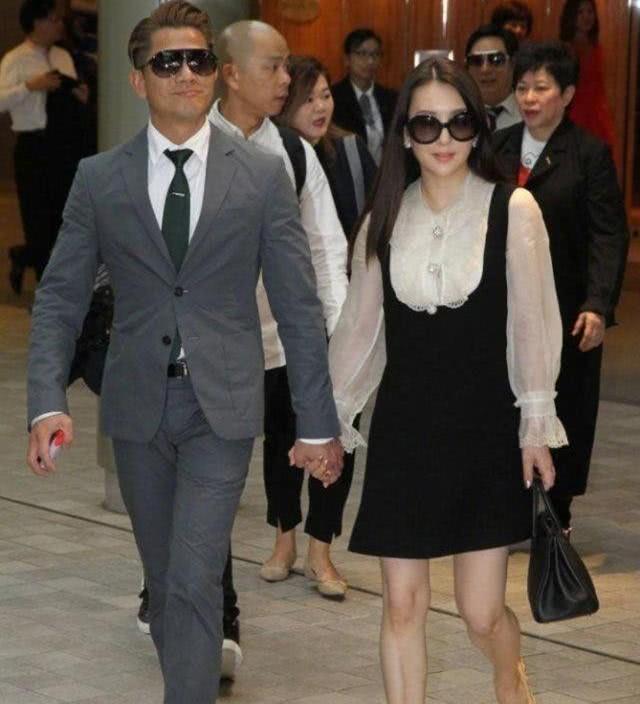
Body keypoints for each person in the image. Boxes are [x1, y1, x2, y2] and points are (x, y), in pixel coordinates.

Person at [25, 4, 343, 704]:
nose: (186, 73)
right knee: (167, 582)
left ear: (216, 72)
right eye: (167, 61)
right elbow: (59, 299)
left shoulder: (260, 176)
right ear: (139, 80)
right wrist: (47, 402)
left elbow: (298, 306)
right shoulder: (99, 179)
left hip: (220, 408)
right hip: (137, 405)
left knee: (196, 579)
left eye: (198, 59)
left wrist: (318, 422)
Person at [328, 56, 567, 704]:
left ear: (478, 128)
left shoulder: (513, 209)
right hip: (404, 433)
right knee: (401, 604)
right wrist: (330, 421)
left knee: (480, 614)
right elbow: (360, 331)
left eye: (458, 123)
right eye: (425, 125)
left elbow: (532, 324)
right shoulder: (383, 219)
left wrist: (536, 426)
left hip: (483, 433)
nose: (443, 139)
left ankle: (509, 678)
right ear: (405, 134)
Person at [209, 22, 349, 605]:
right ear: (232, 73)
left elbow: (326, 247)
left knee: (318, 436)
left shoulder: (293, 152)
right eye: (274, 67)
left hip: (291, 336)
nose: (287, 79)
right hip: (218, 344)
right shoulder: (193, 143)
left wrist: (337, 329)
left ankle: (320, 549)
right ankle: (275, 543)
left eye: (287, 66)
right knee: (243, 456)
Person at [494, 42, 629, 535]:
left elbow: (608, 234)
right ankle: (507, 509)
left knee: (565, 405)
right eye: (522, 87)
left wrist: (598, 304)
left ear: (567, 94)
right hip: (504, 303)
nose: (529, 98)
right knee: (503, 401)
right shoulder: (497, 147)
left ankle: (556, 513)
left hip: (567, 306)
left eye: (541, 88)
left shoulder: (589, 153)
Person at [257, 54, 376, 599]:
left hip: (345, 309)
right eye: (307, 98)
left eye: (325, 95)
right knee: (283, 430)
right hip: (281, 320)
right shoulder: (271, 155)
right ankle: (283, 538)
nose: (320, 107)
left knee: (339, 429)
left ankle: (321, 549)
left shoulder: (350, 152)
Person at [0, 0, 89, 294]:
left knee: (64, 218)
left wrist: (81, 94)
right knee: (37, 218)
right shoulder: (15, 59)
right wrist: (30, 87)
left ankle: (28, 259)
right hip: (33, 146)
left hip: (64, 146)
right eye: (54, 19)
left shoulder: (62, 55)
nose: (60, 25)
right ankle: (46, 287)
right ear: (37, 23)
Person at [331, 28, 397, 164]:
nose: (370, 61)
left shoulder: (391, 98)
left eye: (375, 54)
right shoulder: (333, 98)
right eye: (362, 54)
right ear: (347, 59)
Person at [559, 0, 616, 150]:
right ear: (571, 16)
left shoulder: (596, 47)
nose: (586, 17)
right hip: (574, 112)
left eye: (590, 12)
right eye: (580, 12)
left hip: (598, 114)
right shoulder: (566, 48)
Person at [465, 24, 521, 132]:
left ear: (513, 64)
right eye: (476, 61)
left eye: (496, 60)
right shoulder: (457, 115)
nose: (485, 69)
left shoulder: (531, 115)